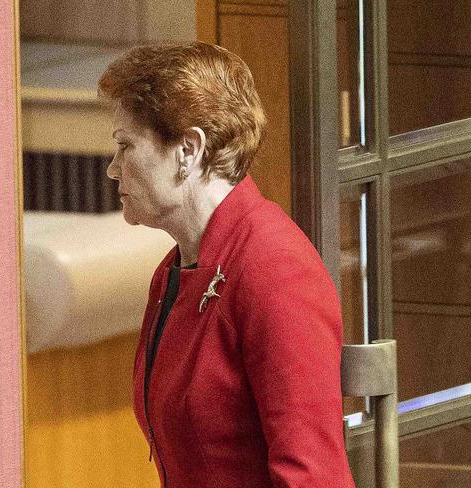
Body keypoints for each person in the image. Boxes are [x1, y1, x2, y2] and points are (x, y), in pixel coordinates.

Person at [99, 41, 355, 487]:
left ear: (188, 150)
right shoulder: (174, 269)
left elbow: (313, 477)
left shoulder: (275, 271)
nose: (113, 168)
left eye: (126, 146)